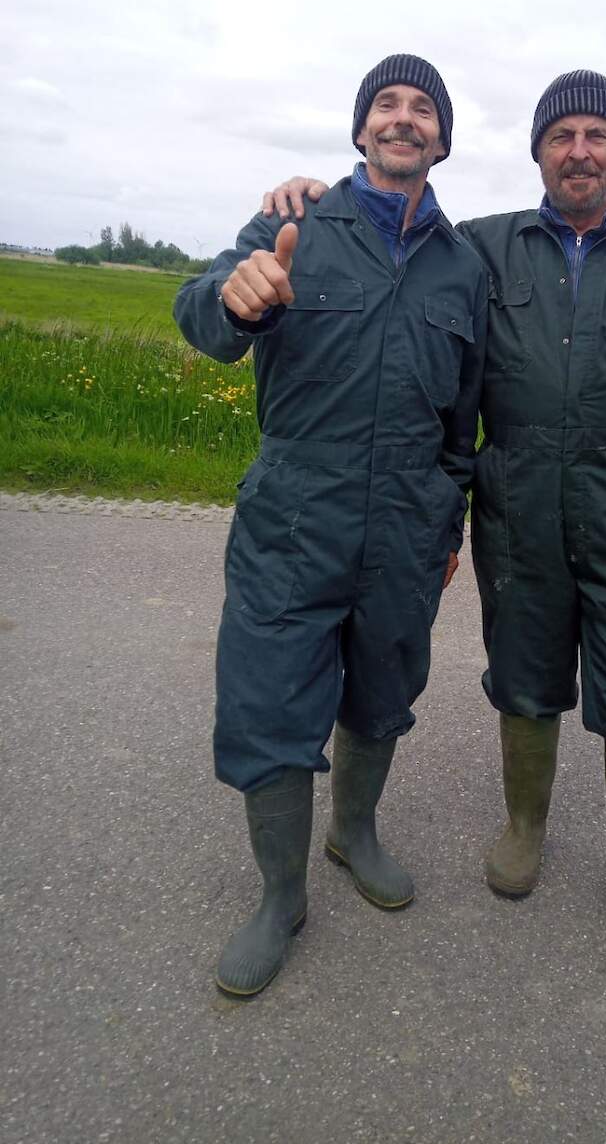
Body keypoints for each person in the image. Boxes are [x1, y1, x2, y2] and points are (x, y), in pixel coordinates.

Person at [261, 69, 606, 958]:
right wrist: (313, 194)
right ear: (538, 154)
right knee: (524, 675)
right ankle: (525, 830)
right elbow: (398, 227)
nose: (580, 151)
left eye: (598, 136)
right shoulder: (486, 247)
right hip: (516, 507)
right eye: (562, 137)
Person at [175, 55, 487, 996]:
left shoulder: (463, 265)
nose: (403, 119)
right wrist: (231, 298)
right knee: (271, 702)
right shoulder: (293, 221)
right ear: (361, 132)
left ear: (442, 139)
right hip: (294, 515)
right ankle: (281, 898)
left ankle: (353, 834)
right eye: (385, 105)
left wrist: (449, 520)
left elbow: (462, 415)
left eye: (422, 108)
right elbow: (204, 312)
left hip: (407, 522)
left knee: (383, 690)